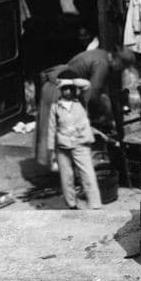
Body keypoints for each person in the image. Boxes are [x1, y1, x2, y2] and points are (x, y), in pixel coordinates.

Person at [47, 75, 102, 210]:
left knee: (87, 174)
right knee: (66, 177)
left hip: (80, 143)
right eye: (65, 89)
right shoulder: (55, 107)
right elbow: (51, 128)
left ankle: (95, 205)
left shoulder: (81, 101)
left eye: (71, 89)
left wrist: (70, 81)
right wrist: (51, 151)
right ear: (61, 91)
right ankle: (71, 204)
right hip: (63, 144)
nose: (68, 92)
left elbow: (87, 85)